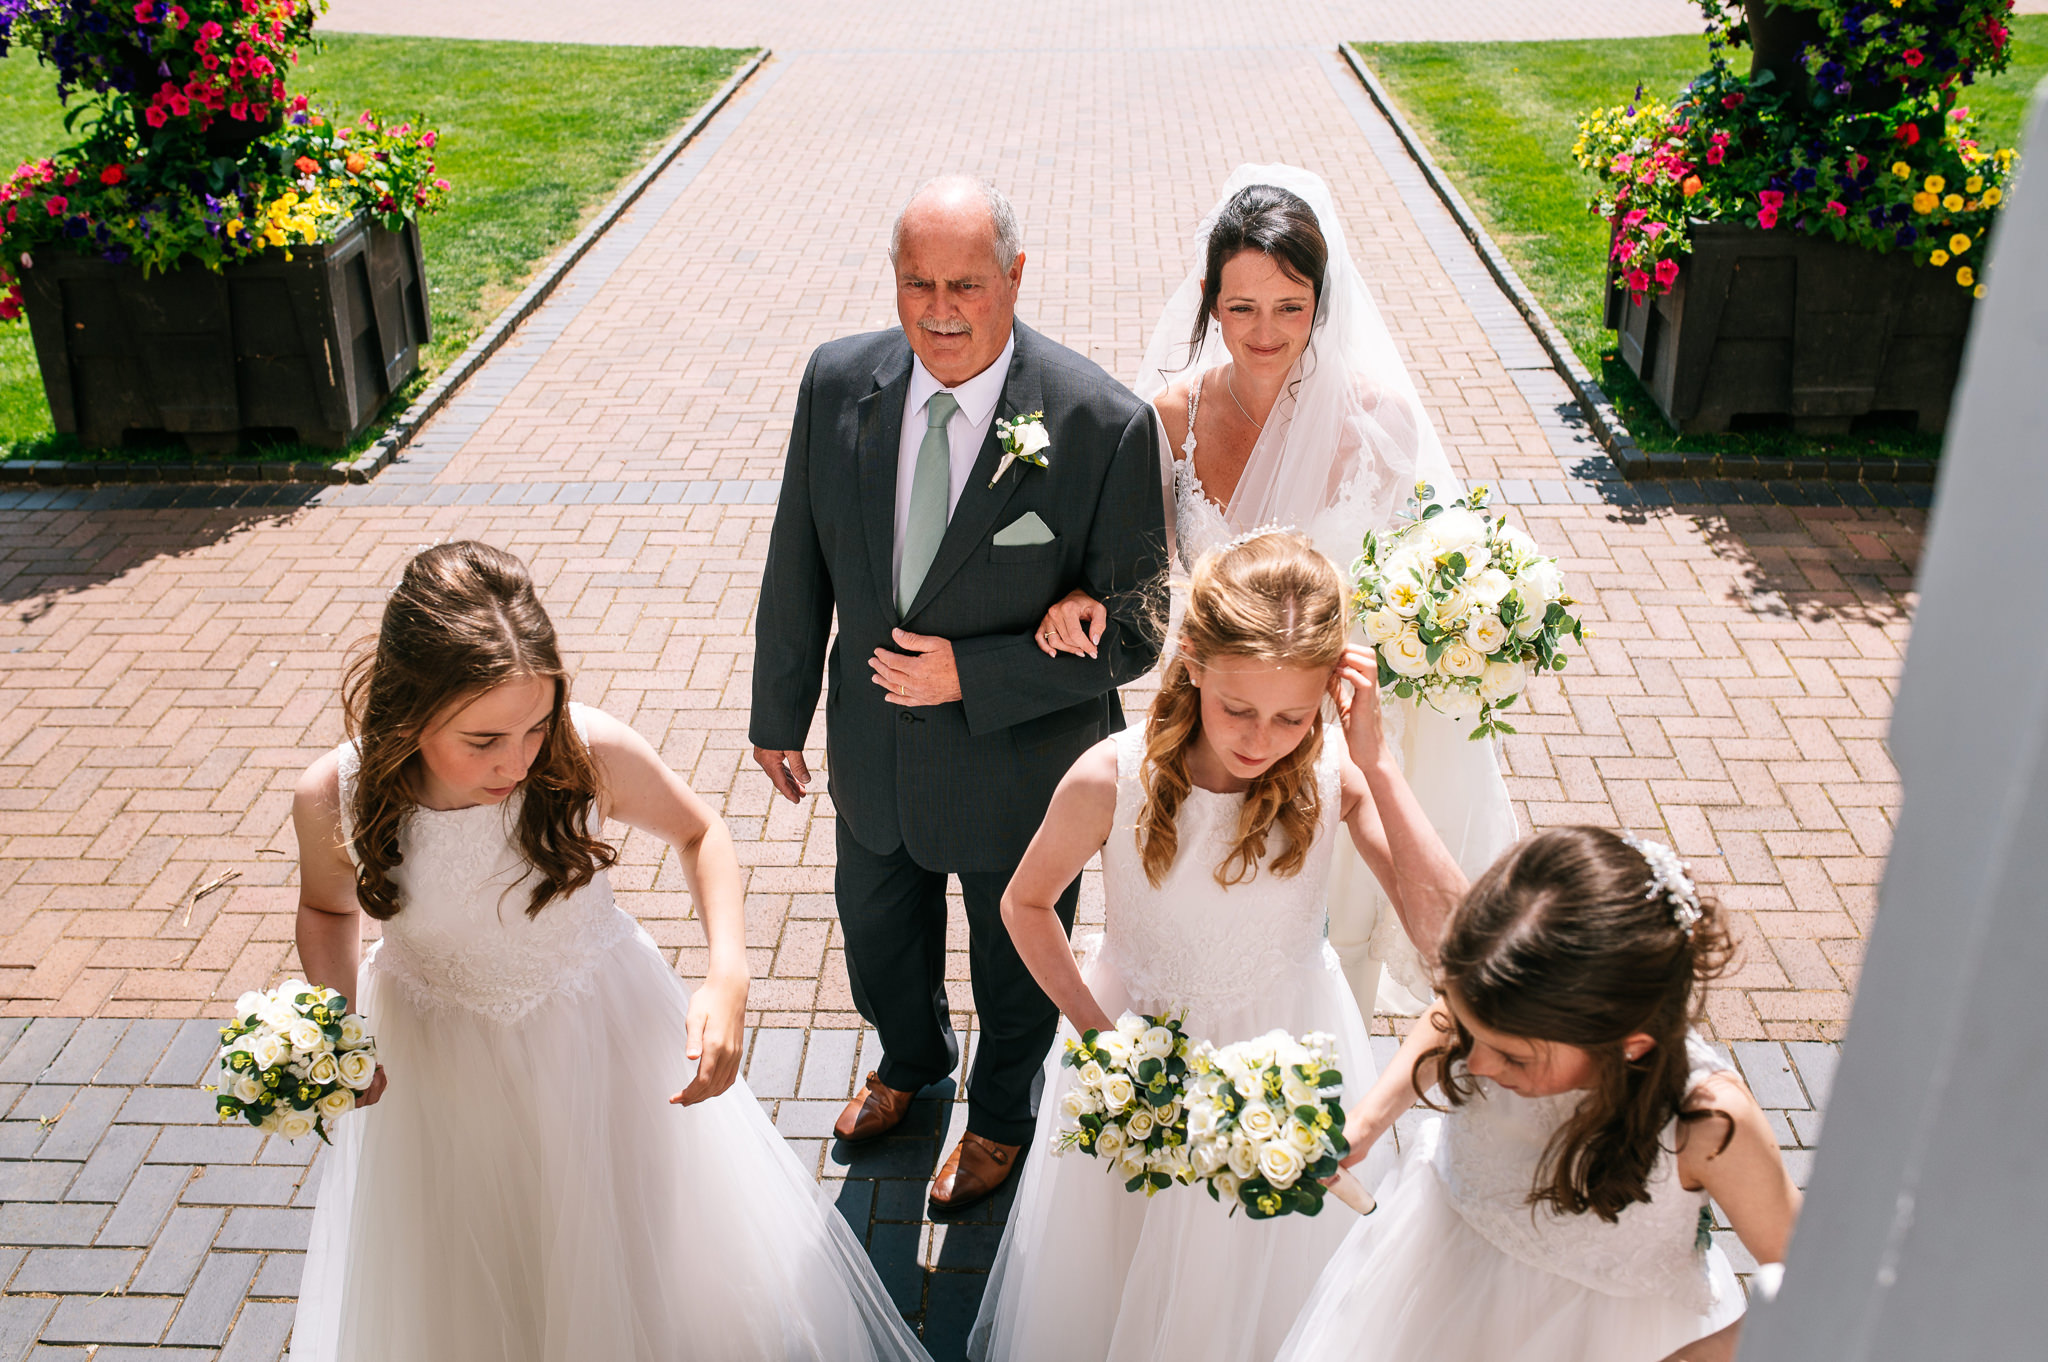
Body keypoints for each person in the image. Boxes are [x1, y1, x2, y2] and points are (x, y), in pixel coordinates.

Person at [289, 542, 927, 1362]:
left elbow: (702, 833)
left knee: (629, 1252)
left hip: (598, 1042)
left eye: (534, 725)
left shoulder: (581, 752)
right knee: (478, 1263)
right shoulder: (334, 796)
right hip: (437, 1063)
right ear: (409, 711)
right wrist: (335, 1022)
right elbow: (324, 910)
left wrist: (727, 974)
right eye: (482, 738)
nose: (515, 760)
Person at [750, 176, 1169, 1209]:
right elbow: (797, 556)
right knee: (878, 939)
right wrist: (777, 710)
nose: (940, 309)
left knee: (1015, 964)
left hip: (1019, 774)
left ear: (1014, 279)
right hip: (874, 757)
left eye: (965, 286)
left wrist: (971, 674)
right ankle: (910, 1061)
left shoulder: (1100, 422)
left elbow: (1138, 630)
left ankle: (999, 1119)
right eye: (916, 284)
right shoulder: (834, 381)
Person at [968, 531, 1468, 1362]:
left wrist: (1378, 766)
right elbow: (1024, 904)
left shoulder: (1330, 777)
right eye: (1239, 707)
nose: (1262, 738)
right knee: (1121, 1265)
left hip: (1290, 1044)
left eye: (1293, 716)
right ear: (1193, 660)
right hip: (1143, 1046)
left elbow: (1455, 936)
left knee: (1268, 1278)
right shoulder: (1110, 776)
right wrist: (1101, 1034)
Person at [1034, 165, 1519, 1018]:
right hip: (1212, 716)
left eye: (1291, 307)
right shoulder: (1170, 419)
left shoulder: (1381, 422)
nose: (1265, 332)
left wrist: (1447, 617)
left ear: (1321, 304)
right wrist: (1078, 594)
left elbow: (1425, 564)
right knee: (1199, 931)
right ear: (1210, 300)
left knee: (1328, 938)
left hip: (1327, 721)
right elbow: (1125, 562)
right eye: (1242, 307)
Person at [1276, 827, 1801, 1362]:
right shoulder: (1503, 1005)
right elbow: (1451, 1019)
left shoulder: (1704, 1122)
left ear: (1627, 1045)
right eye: (1474, 1033)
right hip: (1437, 1267)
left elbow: (1807, 1277)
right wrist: (1367, 1121)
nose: (1476, 1066)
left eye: (1513, 1058)